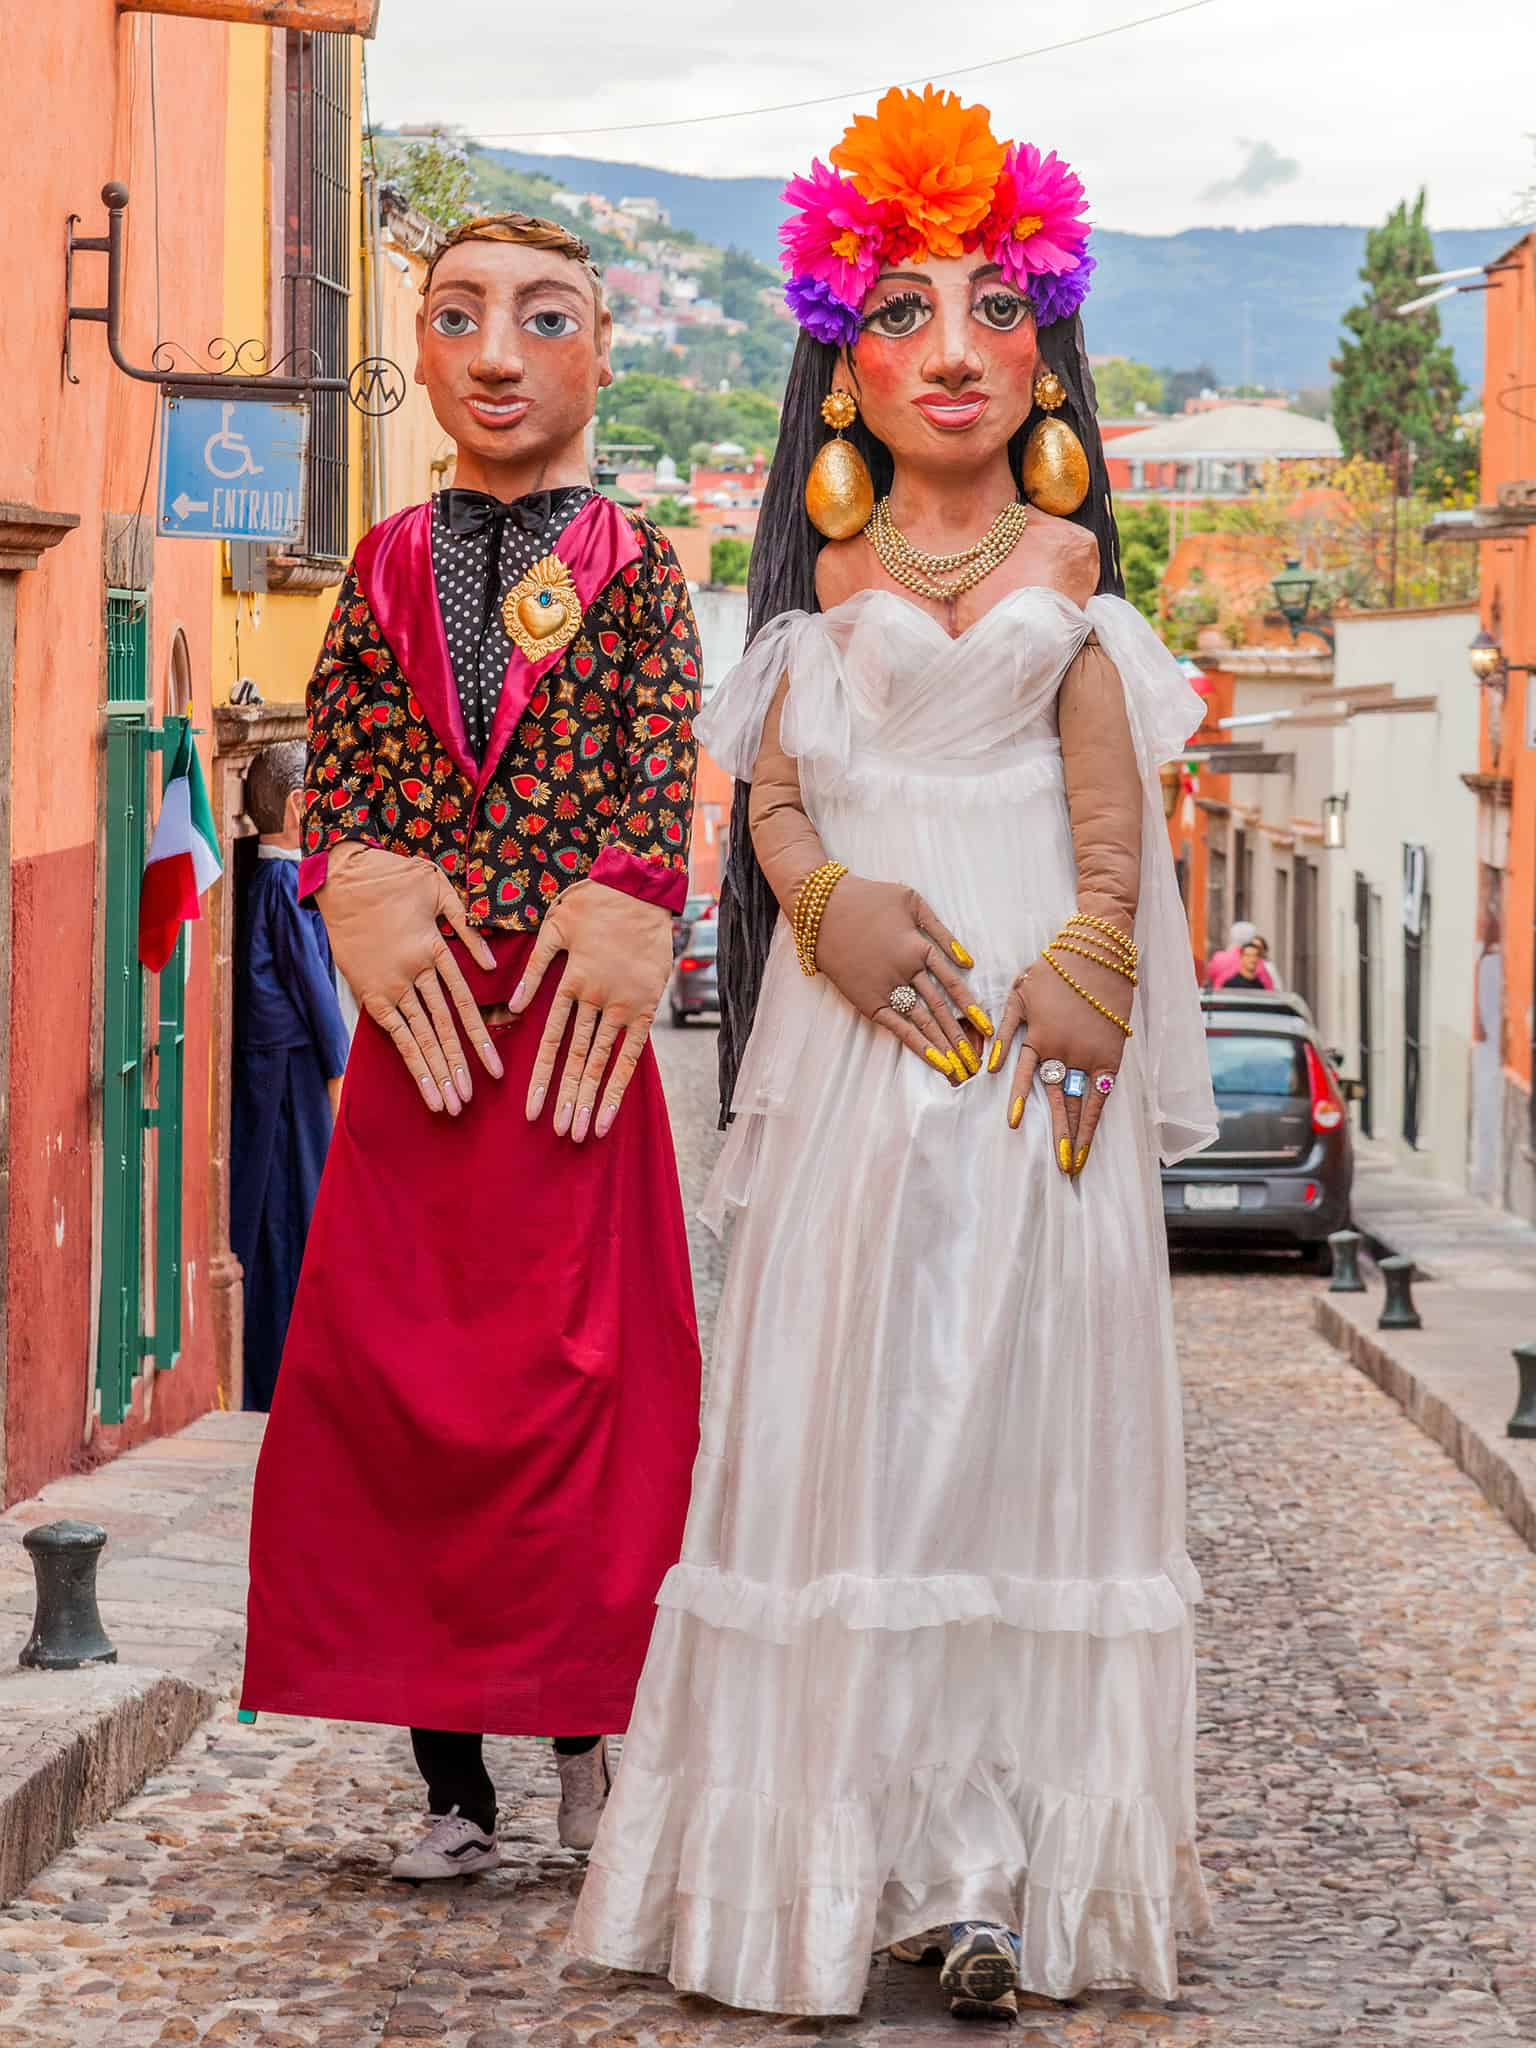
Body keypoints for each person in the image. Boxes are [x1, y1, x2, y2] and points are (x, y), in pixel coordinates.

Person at [572, 88, 1217, 2020]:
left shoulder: (1074, 583)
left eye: (996, 308)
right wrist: (825, 901)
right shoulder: (809, 609)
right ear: (838, 365)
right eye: (905, 310)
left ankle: (1000, 1860)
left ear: (1046, 353)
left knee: (1021, 1425)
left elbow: (1107, 791)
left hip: (1031, 1074)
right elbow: (774, 807)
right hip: (864, 1066)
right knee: (847, 1420)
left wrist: (1099, 940)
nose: (953, 349)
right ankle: (844, 1855)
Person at [239, 211, 703, 1877]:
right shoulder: (371, 566)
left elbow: (666, 750)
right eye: (457, 315)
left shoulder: (640, 568)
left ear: (597, 346)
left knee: (579, 1397)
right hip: (423, 1036)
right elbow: (344, 749)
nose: (497, 351)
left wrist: (638, 889)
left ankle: (588, 1742)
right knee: (400, 1399)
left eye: (540, 316)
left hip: (568, 1038)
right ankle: (452, 1783)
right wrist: (350, 872)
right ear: (423, 349)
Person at [230, 742, 350, 1413]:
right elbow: (315, 988)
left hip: (275, 1068)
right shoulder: (287, 885)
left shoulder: (266, 883)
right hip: (292, 1075)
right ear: (301, 806)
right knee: (299, 1216)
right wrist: (341, 1068)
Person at [1204, 918, 1273, 991]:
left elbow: (1209, 978)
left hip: (1220, 999)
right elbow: (1268, 988)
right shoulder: (1258, 963)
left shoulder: (1218, 958)